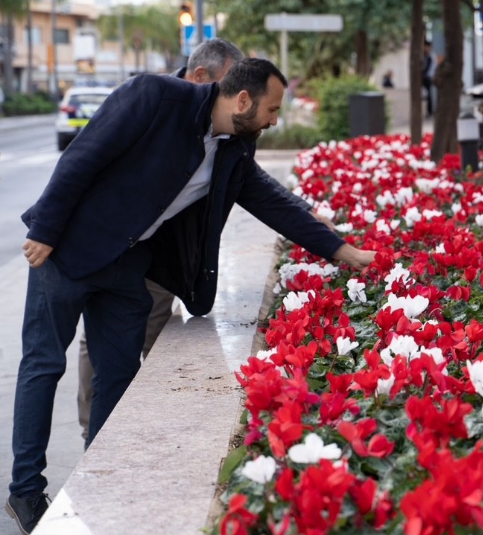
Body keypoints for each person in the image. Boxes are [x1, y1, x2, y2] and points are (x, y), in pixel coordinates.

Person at [6, 58, 375, 534]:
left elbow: (268, 200)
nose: (274, 120)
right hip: (64, 253)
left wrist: (344, 250)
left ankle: (98, 479)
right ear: (242, 100)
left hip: (127, 269)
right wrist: (46, 229)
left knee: (118, 376)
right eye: (272, 109)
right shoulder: (153, 97)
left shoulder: (235, 149)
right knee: (43, 365)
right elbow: (83, 156)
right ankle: (25, 491)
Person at [73, 38, 334, 443]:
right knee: (104, 343)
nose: (237, 96)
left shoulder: (230, 121)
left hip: (167, 254)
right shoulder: (156, 104)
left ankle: (137, 424)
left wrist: (303, 212)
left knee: (153, 333)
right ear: (201, 77)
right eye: (228, 84)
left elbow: (251, 180)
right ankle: (97, 432)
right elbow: (84, 162)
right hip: (116, 251)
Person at [421, 41, 436, 117]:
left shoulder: (430, 56)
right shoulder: (426, 56)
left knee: (429, 95)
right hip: (426, 77)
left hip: (427, 78)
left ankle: (429, 110)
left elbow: (427, 68)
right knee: (427, 95)